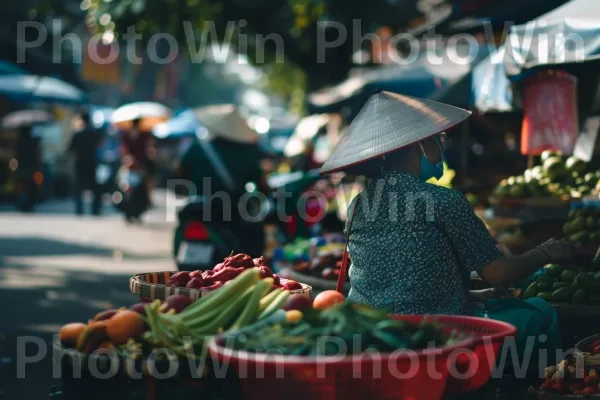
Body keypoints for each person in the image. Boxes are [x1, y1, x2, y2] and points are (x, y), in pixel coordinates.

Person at [320, 91, 572, 369]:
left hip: (371, 327)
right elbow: (498, 273)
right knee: (540, 313)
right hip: (435, 333)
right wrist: (546, 251)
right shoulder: (442, 200)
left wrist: (476, 295)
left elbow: (397, 282)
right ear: (419, 144)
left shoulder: (358, 205)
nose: (440, 147)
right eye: (436, 139)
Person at [174, 104, 271, 256]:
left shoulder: (197, 148)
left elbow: (179, 176)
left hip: (197, 207)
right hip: (231, 208)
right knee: (254, 237)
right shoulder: (247, 152)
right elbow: (261, 184)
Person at [68, 113, 103, 215]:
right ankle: (95, 210)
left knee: (79, 188)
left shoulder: (77, 134)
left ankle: (79, 210)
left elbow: (70, 149)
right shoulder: (95, 133)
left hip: (80, 164)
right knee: (95, 188)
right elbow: (100, 145)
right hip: (92, 163)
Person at [120, 118, 156, 204]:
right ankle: (148, 197)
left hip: (134, 162)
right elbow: (150, 149)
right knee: (149, 178)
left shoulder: (127, 135)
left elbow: (123, 150)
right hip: (137, 162)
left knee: (122, 178)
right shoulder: (144, 134)